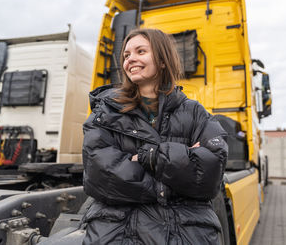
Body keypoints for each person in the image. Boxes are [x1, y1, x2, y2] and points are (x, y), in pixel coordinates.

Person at [82, 28, 228, 244]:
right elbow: (100, 176)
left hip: (185, 234)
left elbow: (209, 175)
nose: (131, 59)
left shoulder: (195, 112)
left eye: (140, 51)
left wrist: (148, 156)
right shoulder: (105, 112)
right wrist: (182, 164)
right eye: (126, 55)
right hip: (118, 233)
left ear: (162, 60)